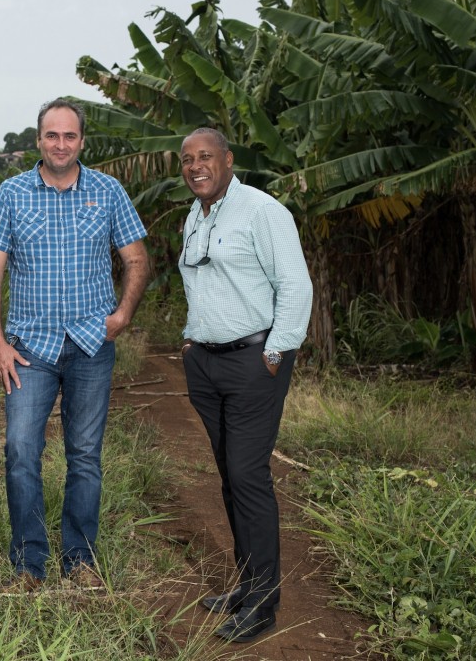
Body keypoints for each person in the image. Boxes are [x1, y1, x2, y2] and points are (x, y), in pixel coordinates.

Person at [0, 98, 149, 593]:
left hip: (92, 345)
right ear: (38, 140)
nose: (60, 144)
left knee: (86, 455)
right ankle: (29, 566)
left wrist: (123, 315)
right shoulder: (12, 193)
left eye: (69, 136)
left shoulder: (107, 190)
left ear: (81, 141)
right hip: (28, 347)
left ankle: (80, 560)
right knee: (20, 450)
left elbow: (137, 259)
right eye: (51, 135)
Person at [176, 128, 313, 643]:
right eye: (187, 160)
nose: (195, 166)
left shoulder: (262, 210)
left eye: (205, 156)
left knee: (248, 475)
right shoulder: (197, 214)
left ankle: (263, 603)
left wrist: (275, 353)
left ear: (228, 160)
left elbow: (296, 286)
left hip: (255, 361)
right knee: (230, 477)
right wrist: (191, 341)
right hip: (206, 365)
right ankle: (246, 583)